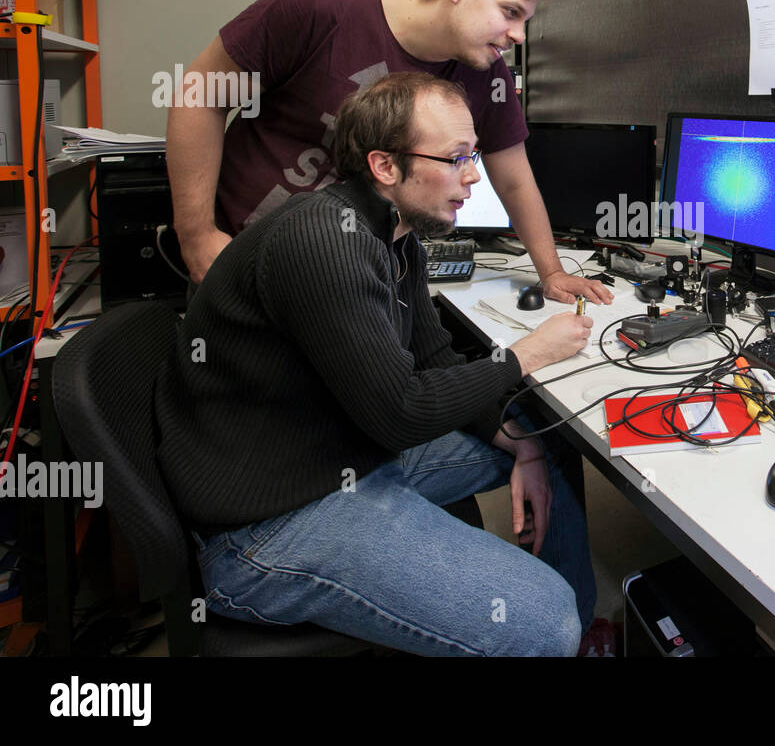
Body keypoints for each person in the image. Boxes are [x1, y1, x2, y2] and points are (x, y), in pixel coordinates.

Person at [156, 72, 598, 656]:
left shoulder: (395, 234)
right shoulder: (324, 241)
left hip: (343, 448)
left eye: (473, 156)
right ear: (385, 166)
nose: (474, 175)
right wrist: (526, 354)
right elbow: (401, 412)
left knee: (551, 433)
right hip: (268, 523)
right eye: (456, 158)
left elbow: (433, 357)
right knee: (547, 622)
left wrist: (523, 444)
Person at [166, 0, 611, 308]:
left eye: (526, 21)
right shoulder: (318, 10)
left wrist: (551, 273)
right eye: (510, 12)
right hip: (243, 257)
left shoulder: (486, 74)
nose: (517, 34)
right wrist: (197, 235)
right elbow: (199, 95)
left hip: (353, 273)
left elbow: (513, 177)